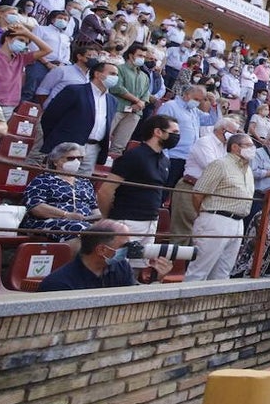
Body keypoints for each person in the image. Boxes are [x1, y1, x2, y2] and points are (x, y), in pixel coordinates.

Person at [97, 115, 176, 268]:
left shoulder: (165, 160)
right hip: (127, 222)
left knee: (140, 267)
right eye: (174, 132)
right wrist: (109, 219)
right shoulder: (134, 156)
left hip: (151, 222)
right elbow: (105, 191)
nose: (176, 136)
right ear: (158, 132)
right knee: (115, 268)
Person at [184, 134, 256, 281]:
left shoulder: (248, 170)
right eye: (248, 145)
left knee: (223, 272)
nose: (252, 149)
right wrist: (206, 215)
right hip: (216, 218)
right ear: (235, 147)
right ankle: (186, 303)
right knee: (199, 270)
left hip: (238, 222)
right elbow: (198, 193)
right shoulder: (220, 164)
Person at [38, 220, 171, 291]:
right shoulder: (59, 284)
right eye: (123, 246)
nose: (128, 250)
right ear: (101, 250)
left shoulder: (121, 267)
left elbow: (133, 301)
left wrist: (156, 280)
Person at [18, 143, 102, 251]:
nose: (76, 162)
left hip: (84, 222)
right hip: (48, 221)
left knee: (110, 230)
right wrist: (66, 215)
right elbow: (36, 207)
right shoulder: (43, 179)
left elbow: (94, 208)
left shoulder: (85, 182)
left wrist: (101, 221)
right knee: (80, 229)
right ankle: (72, 266)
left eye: (79, 158)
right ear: (55, 161)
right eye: (71, 158)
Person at [39, 60, 119, 171]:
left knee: (82, 184)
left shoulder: (112, 100)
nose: (116, 77)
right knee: (59, 180)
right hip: (68, 147)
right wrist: (57, 144)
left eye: (116, 75)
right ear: (97, 74)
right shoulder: (75, 91)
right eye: (112, 74)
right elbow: (49, 117)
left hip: (93, 149)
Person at [170, 116, 238, 245]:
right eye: (233, 132)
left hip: (207, 193)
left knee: (198, 235)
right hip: (190, 188)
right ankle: (173, 264)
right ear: (222, 130)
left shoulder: (225, 148)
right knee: (182, 233)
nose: (234, 136)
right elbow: (212, 168)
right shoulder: (205, 142)